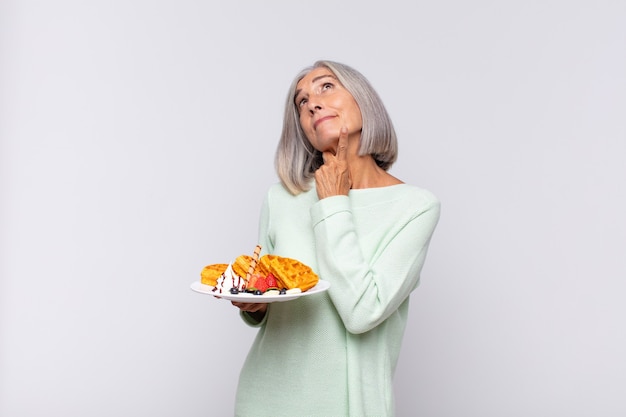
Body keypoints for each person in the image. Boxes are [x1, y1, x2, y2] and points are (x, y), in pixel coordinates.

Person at [231, 60, 440, 417]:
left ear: (363, 100)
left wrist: (333, 203)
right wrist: (257, 305)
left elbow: (362, 313)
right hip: (265, 399)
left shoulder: (415, 207)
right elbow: (267, 292)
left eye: (326, 86)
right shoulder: (281, 198)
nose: (312, 102)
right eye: (301, 101)